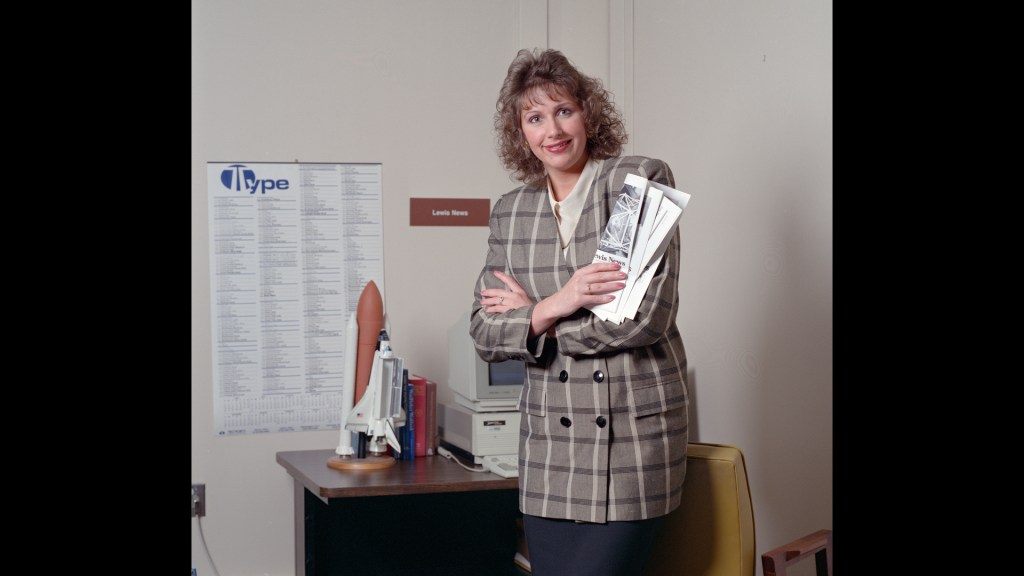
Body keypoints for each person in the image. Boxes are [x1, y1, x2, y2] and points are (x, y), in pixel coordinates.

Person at [469, 48, 689, 576]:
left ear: (588, 112)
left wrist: (538, 323)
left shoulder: (638, 180)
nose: (553, 130)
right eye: (535, 117)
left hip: (631, 442)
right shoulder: (511, 210)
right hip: (550, 451)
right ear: (519, 131)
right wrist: (562, 301)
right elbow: (484, 331)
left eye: (564, 110)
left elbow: (642, 320)